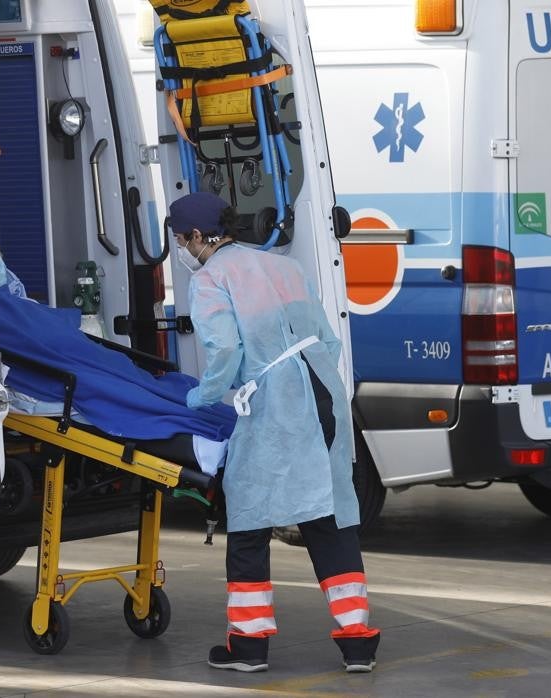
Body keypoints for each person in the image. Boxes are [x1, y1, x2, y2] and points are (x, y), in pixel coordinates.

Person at [170, 191, 380, 674]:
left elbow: (223, 353)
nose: (182, 249)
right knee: (328, 514)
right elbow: (328, 339)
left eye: (182, 240)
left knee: (249, 519)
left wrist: (198, 398)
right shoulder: (284, 266)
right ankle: (358, 644)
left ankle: (248, 647)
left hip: (279, 402)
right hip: (324, 390)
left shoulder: (210, 280)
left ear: (199, 237)